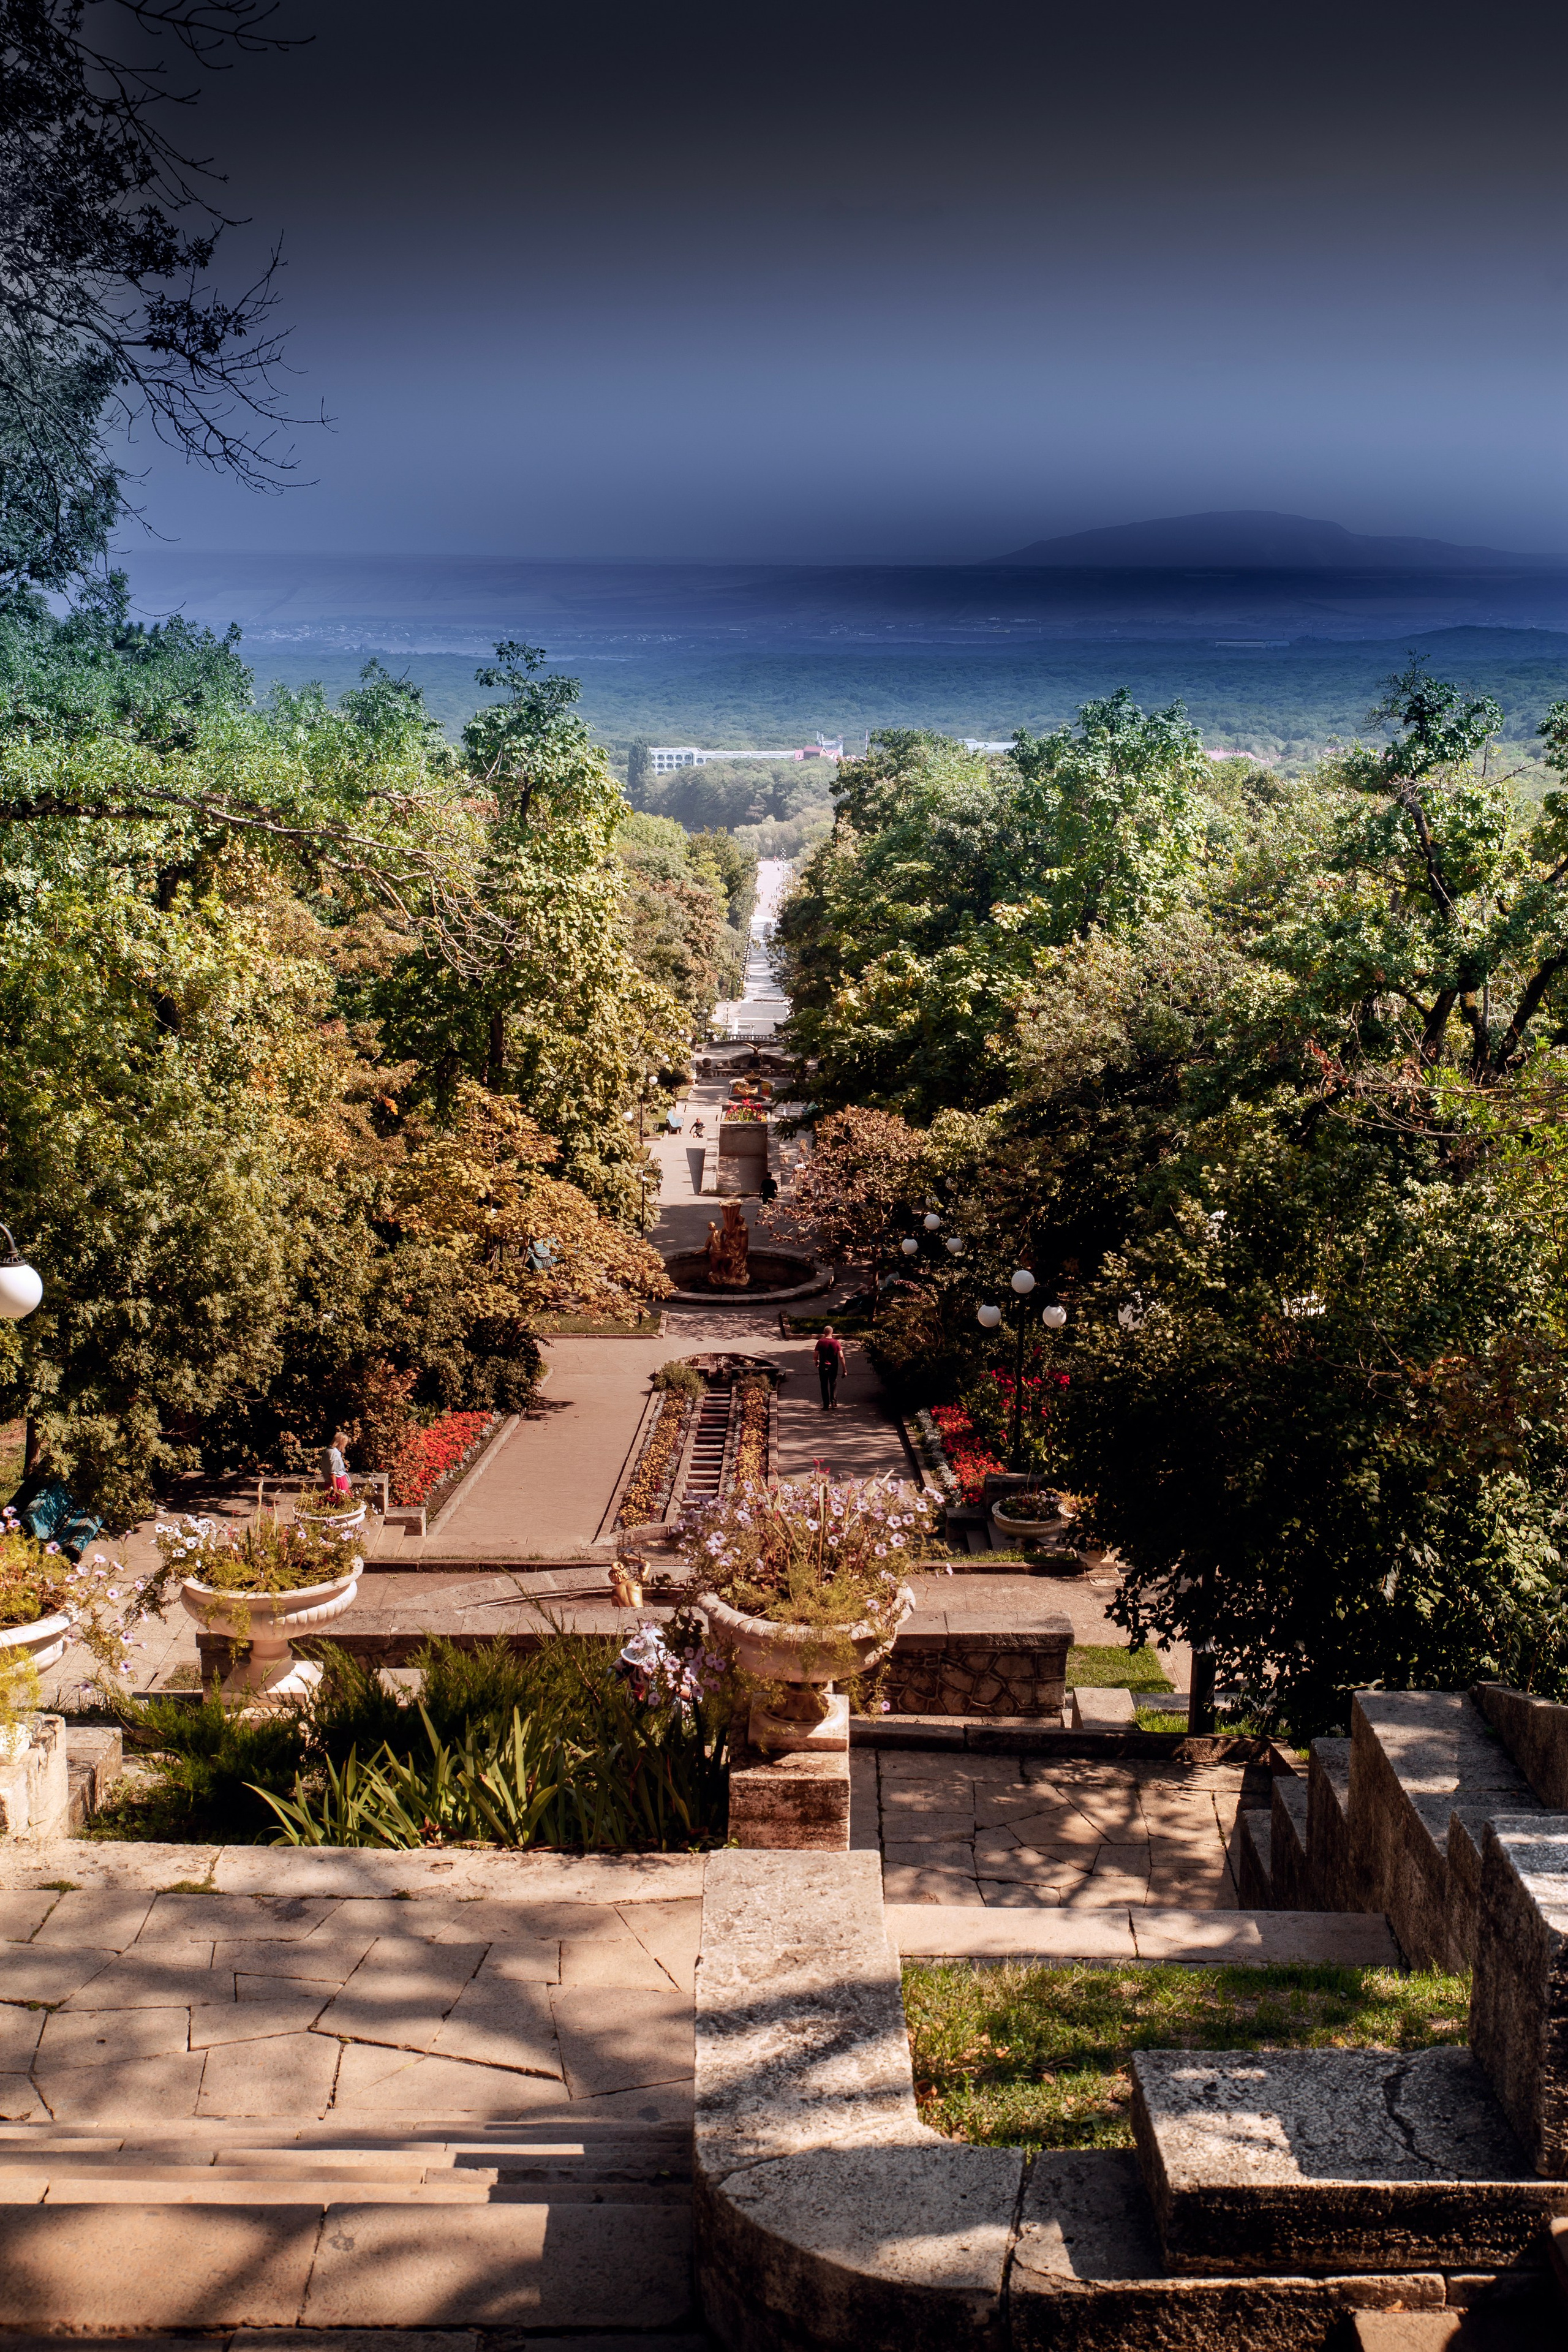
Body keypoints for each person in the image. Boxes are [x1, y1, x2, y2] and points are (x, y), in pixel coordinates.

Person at [815, 1325, 846, 1412]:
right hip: (833, 1367)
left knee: (824, 1385)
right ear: (832, 1333)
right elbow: (841, 1356)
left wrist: (816, 1361)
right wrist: (844, 1369)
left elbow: (815, 1355)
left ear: (824, 1333)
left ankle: (826, 1405)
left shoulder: (820, 1342)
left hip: (823, 1367)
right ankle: (833, 1403)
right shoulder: (836, 1343)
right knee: (833, 1383)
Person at [320, 1428, 353, 1495]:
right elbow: (332, 1473)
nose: (345, 1445)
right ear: (341, 1442)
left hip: (329, 1482)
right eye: (345, 1443)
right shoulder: (334, 1453)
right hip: (338, 1482)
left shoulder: (327, 1451)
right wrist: (335, 1488)